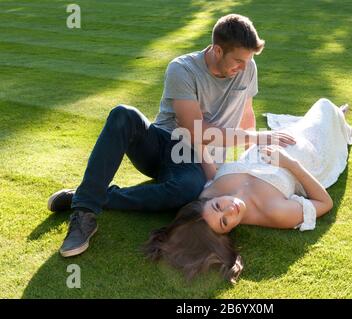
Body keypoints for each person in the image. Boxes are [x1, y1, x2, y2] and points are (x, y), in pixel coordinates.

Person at [47, 14, 297, 258]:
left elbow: (247, 112)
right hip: (165, 145)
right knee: (123, 114)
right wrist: (258, 138)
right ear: (218, 50)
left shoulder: (247, 68)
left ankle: (94, 194)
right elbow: (196, 131)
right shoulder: (183, 69)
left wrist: (245, 162)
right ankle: (84, 213)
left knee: (187, 189)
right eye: (238, 61)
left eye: (247, 61)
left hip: (195, 161)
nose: (243, 67)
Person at [144, 98, 352, 284]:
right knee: (325, 107)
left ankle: (336, 122)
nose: (231, 209)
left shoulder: (208, 194)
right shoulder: (273, 212)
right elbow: (325, 203)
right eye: (225, 222)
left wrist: (196, 136)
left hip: (273, 139)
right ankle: (340, 125)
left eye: (218, 206)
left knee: (314, 115)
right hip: (307, 153)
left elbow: (209, 167)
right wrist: (291, 164)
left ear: (209, 201)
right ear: (225, 235)